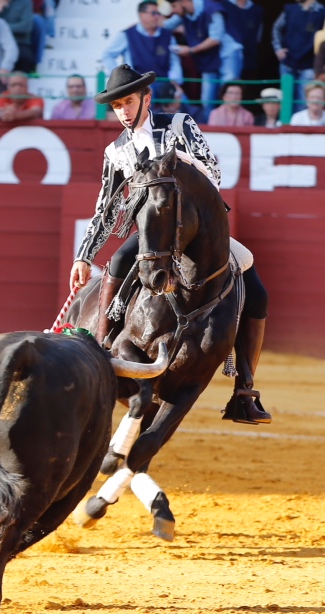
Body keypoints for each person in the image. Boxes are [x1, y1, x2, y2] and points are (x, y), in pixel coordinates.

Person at [69, 64, 271, 424]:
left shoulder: (179, 125)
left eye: (128, 102)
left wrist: (175, 162)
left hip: (198, 234)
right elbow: (105, 209)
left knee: (256, 290)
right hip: (154, 237)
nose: (124, 112)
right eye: (117, 106)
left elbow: (213, 171)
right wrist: (83, 256)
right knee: (116, 262)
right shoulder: (116, 151)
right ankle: (101, 348)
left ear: (146, 98)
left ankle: (245, 390)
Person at [163, 0, 243, 119]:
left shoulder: (212, 8)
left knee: (229, 94)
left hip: (227, 55)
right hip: (208, 58)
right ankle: (209, 130)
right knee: (206, 100)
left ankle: (229, 129)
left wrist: (190, 50)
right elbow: (165, 26)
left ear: (184, 1)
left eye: (174, 6)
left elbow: (216, 38)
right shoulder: (184, 13)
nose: (173, 10)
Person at [101, 0, 183, 103]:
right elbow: (108, 55)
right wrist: (120, 78)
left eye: (159, 13)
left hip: (164, 84)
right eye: (153, 13)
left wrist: (175, 83)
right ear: (141, 14)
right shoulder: (127, 35)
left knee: (183, 104)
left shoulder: (168, 35)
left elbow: (174, 61)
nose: (157, 16)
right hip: (138, 85)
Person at [272, 0, 325, 114]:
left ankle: (302, 130)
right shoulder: (290, 9)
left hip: (309, 65)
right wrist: (278, 48)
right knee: (286, 102)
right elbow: (277, 28)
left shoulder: (322, 12)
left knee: (304, 102)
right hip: (288, 63)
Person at [0, 0, 35, 73]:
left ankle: (20, 82)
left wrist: (3, 28)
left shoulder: (25, 2)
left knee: (25, 57)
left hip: (19, 40)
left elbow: (26, 26)